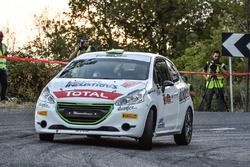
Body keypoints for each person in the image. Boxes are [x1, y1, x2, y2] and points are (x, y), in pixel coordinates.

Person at [0, 31, 9, 101]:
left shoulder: (4, 46)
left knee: (5, 84)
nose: (1, 37)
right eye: (0, 36)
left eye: (1, 36)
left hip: (3, 68)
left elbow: (5, 56)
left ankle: (3, 98)